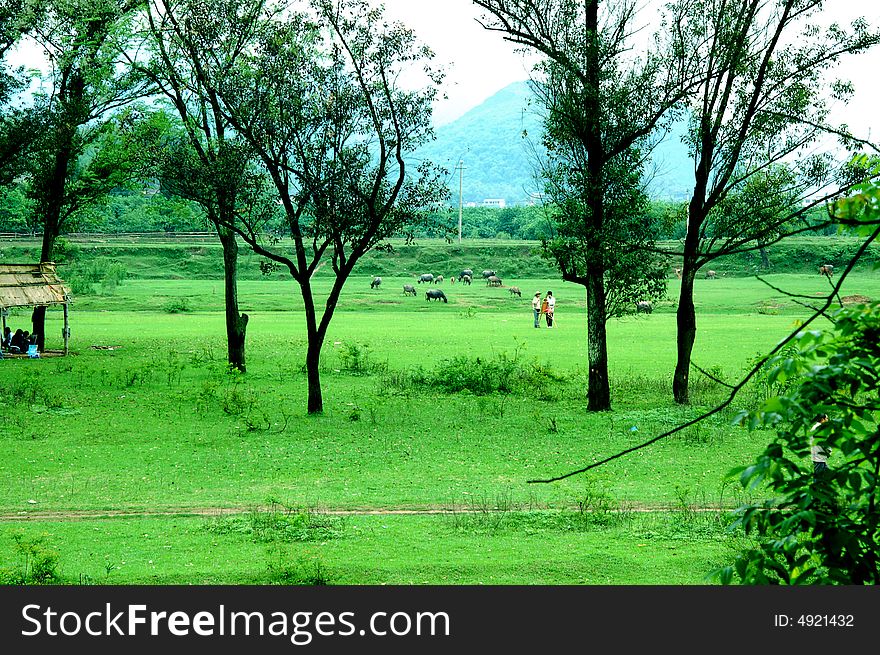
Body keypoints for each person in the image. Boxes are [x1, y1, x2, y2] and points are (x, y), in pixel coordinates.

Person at [810, 414, 831, 480]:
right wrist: (828, 451)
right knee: (818, 476)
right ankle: (815, 489)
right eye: (827, 418)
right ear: (822, 419)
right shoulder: (819, 429)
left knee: (826, 473)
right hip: (819, 456)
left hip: (817, 454)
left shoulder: (814, 427)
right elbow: (823, 443)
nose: (828, 420)